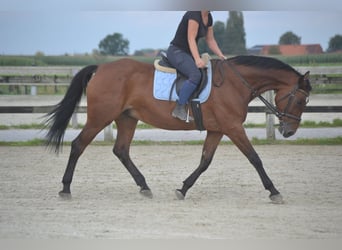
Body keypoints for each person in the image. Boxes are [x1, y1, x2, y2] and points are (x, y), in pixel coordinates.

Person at [167, 11, 226, 121]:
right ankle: (179, 108)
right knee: (195, 75)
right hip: (177, 52)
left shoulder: (209, 17)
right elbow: (191, 38)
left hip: (188, 54)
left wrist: (221, 55)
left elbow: (210, 40)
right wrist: (197, 59)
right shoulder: (194, 14)